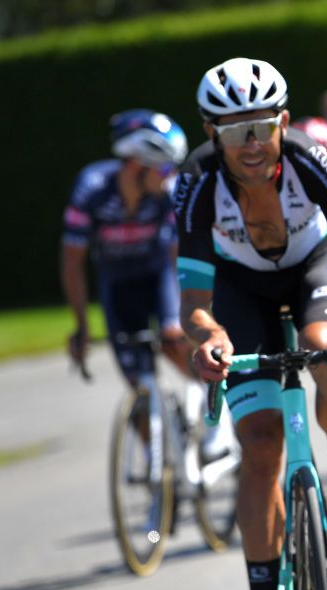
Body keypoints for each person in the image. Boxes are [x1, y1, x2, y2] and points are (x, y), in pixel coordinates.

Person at [175, 57, 327, 590]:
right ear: (211, 133)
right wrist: (209, 341)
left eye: (261, 127)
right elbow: (194, 307)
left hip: (315, 265)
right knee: (260, 445)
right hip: (241, 290)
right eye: (233, 130)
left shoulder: (308, 155)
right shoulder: (195, 181)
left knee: (326, 345)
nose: (250, 144)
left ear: (283, 123)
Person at [61, 109, 233, 447]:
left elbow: (180, 257)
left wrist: (191, 309)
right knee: (137, 380)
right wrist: (80, 325)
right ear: (139, 164)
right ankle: (160, 472)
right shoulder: (91, 188)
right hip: (117, 283)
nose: (170, 177)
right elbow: (72, 262)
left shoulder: (168, 196)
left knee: (172, 336)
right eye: (165, 168)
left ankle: (213, 398)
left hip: (159, 275)